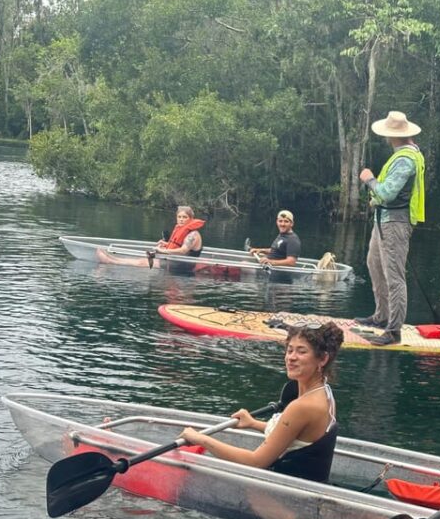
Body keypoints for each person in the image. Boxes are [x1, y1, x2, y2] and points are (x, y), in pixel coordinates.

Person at [179, 322, 344, 483]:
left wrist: (200, 439)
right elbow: (296, 435)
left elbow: (256, 462)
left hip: (280, 499)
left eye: (301, 351)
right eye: (289, 350)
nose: (291, 358)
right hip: (302, 490)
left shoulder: (302, 407)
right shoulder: (325, 393)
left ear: (322, 359)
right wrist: (253, 423)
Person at [355, 111, 425, 346]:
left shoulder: (405, 159)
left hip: (396, 223)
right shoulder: (404, 154)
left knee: (394, 277)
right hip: (383, 220)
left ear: (391, 135)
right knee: (374, 264)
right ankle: (381, 316)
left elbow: (386, 193)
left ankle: (394, 331)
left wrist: (369, 179)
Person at [95, 205, 204, 272]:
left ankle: (111, 261)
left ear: (190, 219)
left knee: (142, 262)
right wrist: (166, 244)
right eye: (179, 217)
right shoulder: (182, 230)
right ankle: (113, 259)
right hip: (175, 261)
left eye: (185, 217)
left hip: (182, 266)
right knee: (144, 259)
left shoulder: (193, 235)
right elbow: (179, 245)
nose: (181, 220)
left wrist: (163, 250)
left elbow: (183, 250)